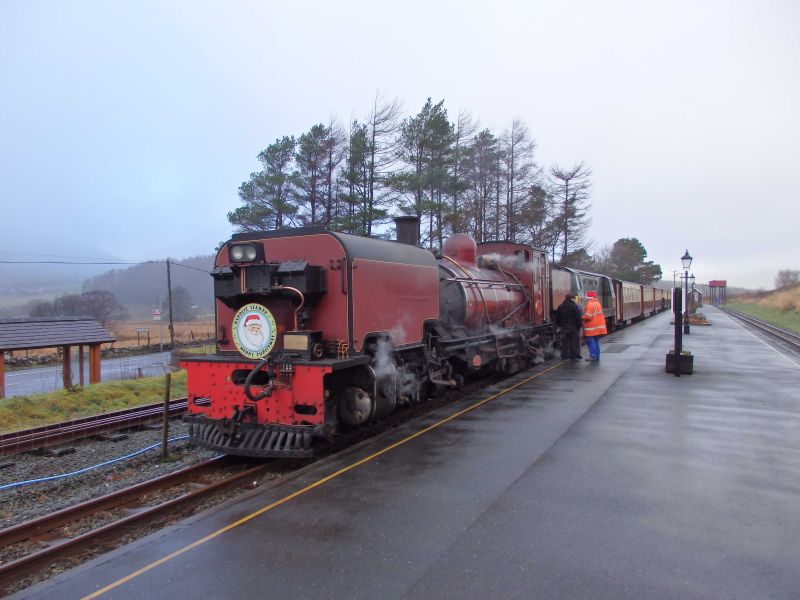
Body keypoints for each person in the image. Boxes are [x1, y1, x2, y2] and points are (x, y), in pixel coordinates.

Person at [555, 294, 583, 361]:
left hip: (564, 327)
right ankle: (573, 357)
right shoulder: (574, 306)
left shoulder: (560, 306)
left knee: (564, 343)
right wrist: (579, 325)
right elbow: (578, 317)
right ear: (571, 299)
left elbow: (557, 318)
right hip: (573, 328)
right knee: (573, 342)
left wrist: (559, 325)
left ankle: (564, 357)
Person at [582, 291, 607, 361]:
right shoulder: (597, 303)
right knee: (596, 341)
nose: (586, 299)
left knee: (590, 341)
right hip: (597, 327)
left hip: (591, 327)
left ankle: (593, 356)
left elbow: (588, 316)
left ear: (588, 298)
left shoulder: (590, 304)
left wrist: (581, 317)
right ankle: (597, 355)